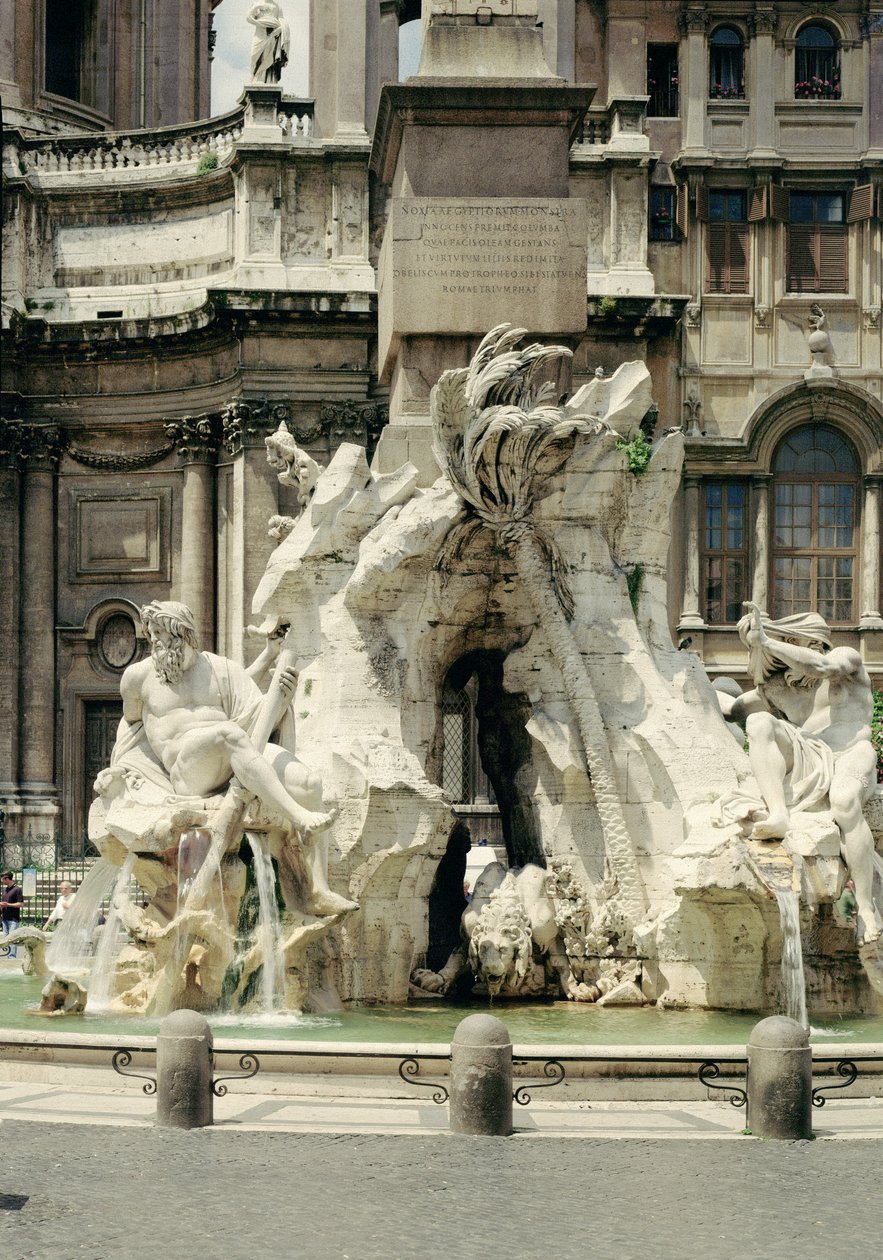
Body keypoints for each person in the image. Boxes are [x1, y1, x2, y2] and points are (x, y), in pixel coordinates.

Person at [115, 601, 354, 916]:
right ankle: (299, 817)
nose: (154, 640)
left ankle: (318, 890)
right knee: (228, 734)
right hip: (187, 773)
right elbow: (132, 730)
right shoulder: (137, 677)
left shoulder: (220, 668)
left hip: (234, 754)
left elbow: (258, 715)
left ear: (182, 632)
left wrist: (282, 695)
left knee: (309, 783)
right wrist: (124, 772)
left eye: (160, 631)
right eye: (151, 633)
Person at [717, 603, 880, 945]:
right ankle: (779, 814)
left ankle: (865, 906)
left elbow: (821, 665)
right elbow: (732, 710)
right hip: (813, 753)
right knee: (760, 722)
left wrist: (766, 641)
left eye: (792, 645)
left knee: (845, 800)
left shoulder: (845, 659)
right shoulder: (782, 690)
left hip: (852, 751)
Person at [246, 2, 290, 84]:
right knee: (254, 55)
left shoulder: (277, 7)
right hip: (260, 35)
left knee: (269, 56)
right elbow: (249, 18)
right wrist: (256, 7)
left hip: (273, 34)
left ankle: (265, 80)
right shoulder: (257, 4)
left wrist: (279, 29)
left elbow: (282, 22)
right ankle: (254, 77)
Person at [1, 872, 23, 957]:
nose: (2, 881)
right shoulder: (5, 889)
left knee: (12, 938)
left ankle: (12, 957)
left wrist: (8, 905)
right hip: (5, 918)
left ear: (7, 878)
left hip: (13, 919)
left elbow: (21, 904)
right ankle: (8, 956)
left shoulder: (17, 889)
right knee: (6, 939)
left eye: (3, 879)